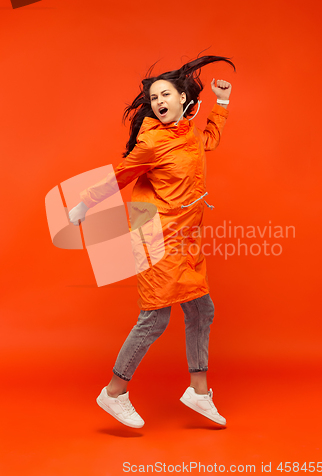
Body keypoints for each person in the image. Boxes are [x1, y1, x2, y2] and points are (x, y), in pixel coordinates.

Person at [69, 55, 235, 429]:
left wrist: (221, 104)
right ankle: (113, 392)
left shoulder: (187, 132)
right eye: (154, 97)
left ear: (182, 98)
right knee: (155, 317)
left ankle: (198, 392)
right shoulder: (153, 141)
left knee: (200, 310)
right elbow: (121, 174)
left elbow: (208, 141)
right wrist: (83, 203)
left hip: (185, 235)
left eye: (165, 94)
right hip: (155, 235)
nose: (158, 101)